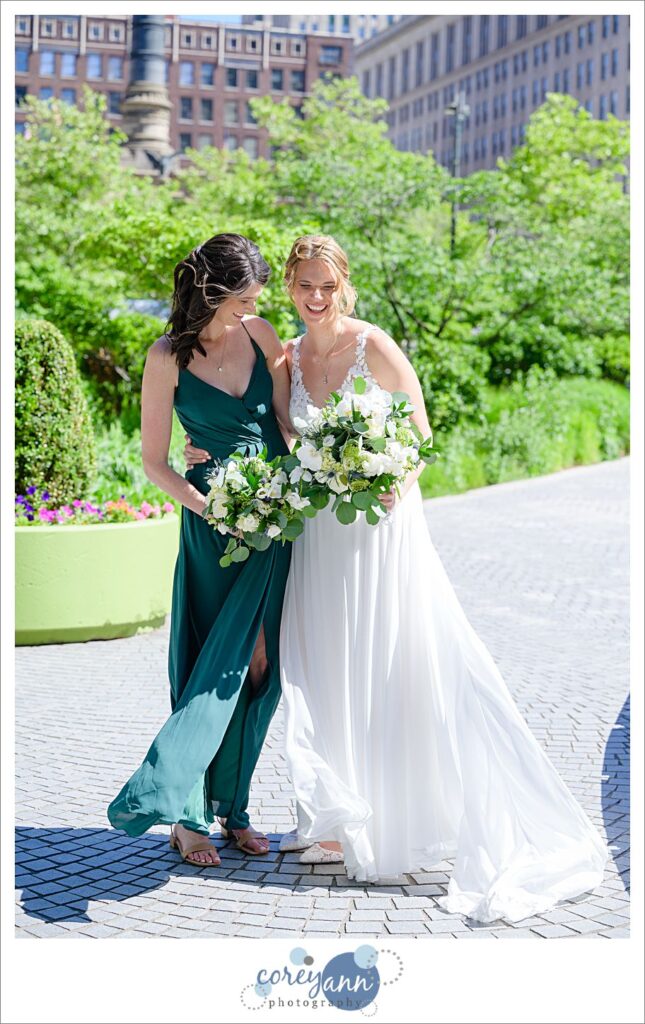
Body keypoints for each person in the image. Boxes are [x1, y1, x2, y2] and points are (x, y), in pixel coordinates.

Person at [184, 234, 610, 922]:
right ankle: (335, 816)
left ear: (344, 285)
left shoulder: (373, 345)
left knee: (393, 660)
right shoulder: (285, 357)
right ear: (288, 287)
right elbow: (278, 433)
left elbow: (419, 434)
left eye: (327, 286)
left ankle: (393, 819)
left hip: (381, 528)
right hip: (318, 535)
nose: (315, 298)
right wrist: (202, 447)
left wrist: (389, 481)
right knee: (323, 666)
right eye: (303, 286)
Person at [107, 233, 293, 867]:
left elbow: (288, 424)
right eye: (245, 299)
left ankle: (233, 808)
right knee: (207, 663)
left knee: (260, 665)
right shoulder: (166, 357)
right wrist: (213, 508)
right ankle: (185, 816)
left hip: (274, 519)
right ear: (213, 292)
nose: (254, 309)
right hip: (211, 524)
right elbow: (154, 463)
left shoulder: (262, 336)